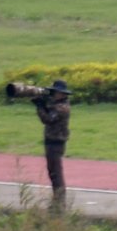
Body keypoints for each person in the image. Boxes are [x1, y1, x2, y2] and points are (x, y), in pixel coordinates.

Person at [33, 80, 71, 212]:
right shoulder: (58, 104)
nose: (53, 94)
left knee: (56, 174)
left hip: (56, 143)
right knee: (52, 172)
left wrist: (39, 106)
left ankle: (59, 204)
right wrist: (43, 103)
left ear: (61, 94)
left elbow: (47, 119)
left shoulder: (62, 108)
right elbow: (50, 111)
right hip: (51, 142)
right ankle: (57, 202)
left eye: (55, 92)